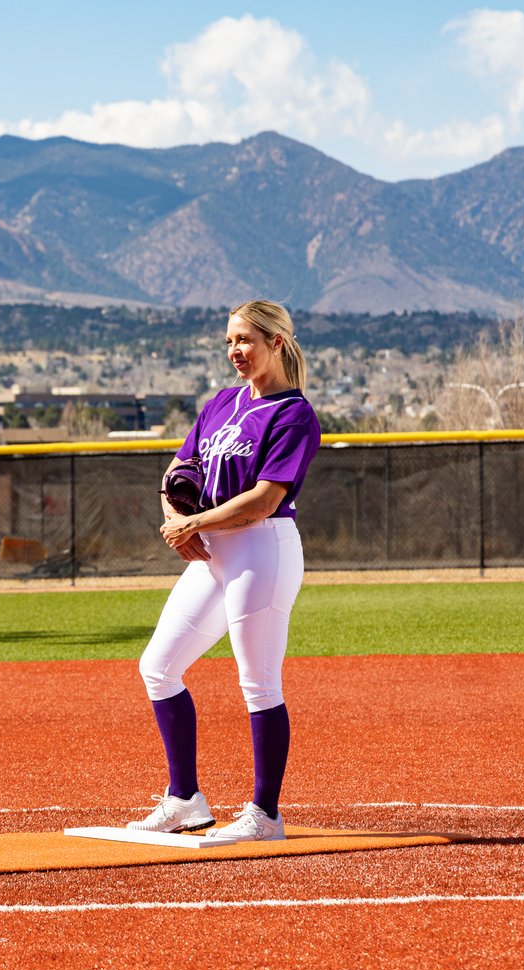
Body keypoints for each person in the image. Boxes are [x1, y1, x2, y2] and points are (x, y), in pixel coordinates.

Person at [127, 299, 321, 842]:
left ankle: (265, 814)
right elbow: (178, 470)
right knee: (158, 667)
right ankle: (185, 798)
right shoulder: (220, 404)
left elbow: (263, 499)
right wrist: (176, 517)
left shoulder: (293, 414)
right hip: (212, 552)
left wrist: (195, 525)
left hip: (263, 548)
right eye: (229, 342)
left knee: (258, 683)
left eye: (245, 341)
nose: (236, 351)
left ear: (276, 343)